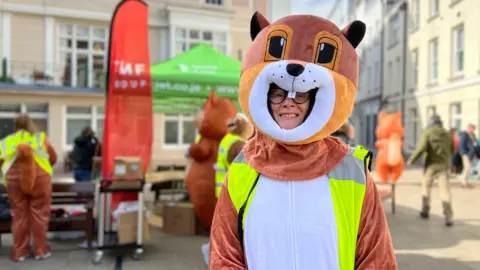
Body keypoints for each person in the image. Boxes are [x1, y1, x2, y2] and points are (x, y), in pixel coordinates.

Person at [209, 12, 396, 269]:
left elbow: (375, 256)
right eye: (278, 93)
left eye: (300, 95)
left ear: (313, 99)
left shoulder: (353, 171)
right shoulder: (242, 169)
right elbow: (225, 255)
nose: (288, 102)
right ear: (266, 96)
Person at [0, 114, 57, 261]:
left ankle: (20, 252)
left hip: (15, 181)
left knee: (19, 215)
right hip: (40, 179)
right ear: (31, 124)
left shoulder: (6, 142)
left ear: (15, 126)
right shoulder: (40, 139)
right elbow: (53, 158)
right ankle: (40, 250)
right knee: (40, 215)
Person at [202, 113, 253, 265]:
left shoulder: (227, 140)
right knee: (233, 234)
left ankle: (212, 251)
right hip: (236, 193)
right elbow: (243, 171)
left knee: (224, 230)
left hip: (224, 191)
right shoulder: (238, 145)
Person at [407, 115, 455, 226]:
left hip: (430, 167)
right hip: (443, 167)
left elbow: (421, 148)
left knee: (426, 189)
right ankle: (448, 217)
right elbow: (452, 149)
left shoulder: (427, 132)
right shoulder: (447, 134)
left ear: (431, 121)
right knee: (445, 192)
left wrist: (411, 160)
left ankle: (425, 211)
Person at [458, 124, 478, 188]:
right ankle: (464, 182)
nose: (473, 130)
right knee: (467, 167)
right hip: (465, 153)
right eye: (472, 128)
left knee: (467, 168)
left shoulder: (472, 135)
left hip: (470, 153)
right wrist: (465, 153)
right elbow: (462, 145)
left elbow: (475, 144)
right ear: (468, 128)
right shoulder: (464, 135)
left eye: (474, 129)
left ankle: (464, 181)